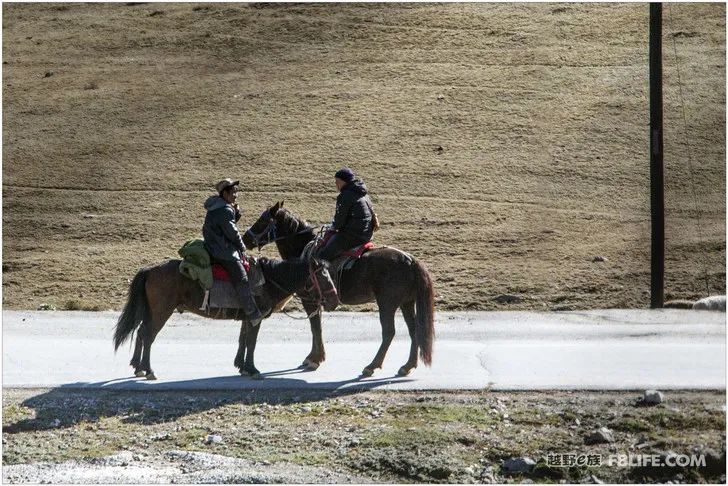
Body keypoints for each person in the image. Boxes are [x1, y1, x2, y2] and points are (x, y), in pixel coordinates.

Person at [202, 178, 264, 326]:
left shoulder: (217, 206)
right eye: (233, 192)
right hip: (222, 250)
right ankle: (252, 313)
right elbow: (232, 233)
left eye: (236, 192)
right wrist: (242, 247)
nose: (236, 195)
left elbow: (223, 227)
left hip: (213, 246)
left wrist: (235, 214)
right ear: (224, 193)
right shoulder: (224, 209)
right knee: (242, 277)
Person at [317, 167, 376, 262]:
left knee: (322, 256)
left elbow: (339, 222)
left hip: (352, 236)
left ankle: (324, 276)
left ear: (344, 181)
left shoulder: (346, 195)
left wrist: (332, 226)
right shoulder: (362, 193)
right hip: (367, 234)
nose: (336, 184)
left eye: (337, 181)